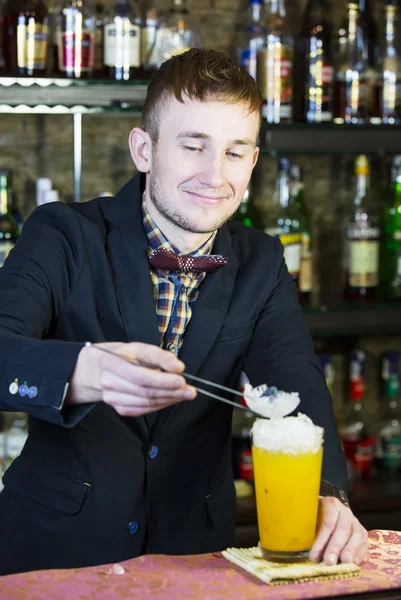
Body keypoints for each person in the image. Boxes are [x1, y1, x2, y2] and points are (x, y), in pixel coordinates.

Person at [0, 48, 367, 576]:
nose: (215, 175)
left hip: (196, 558)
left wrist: (327, 491)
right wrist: (84, 370)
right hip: (53, 555)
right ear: (144, 149)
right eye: (193, 146)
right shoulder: (62, 235)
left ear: (254, 161)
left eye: (235, 152)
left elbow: (296, 379)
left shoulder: (261, 258)